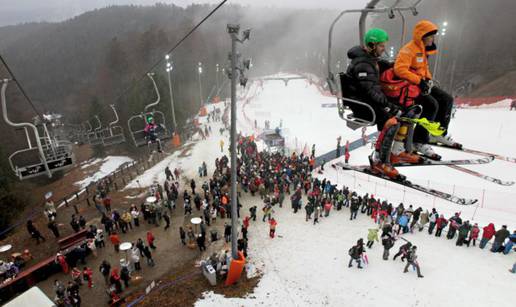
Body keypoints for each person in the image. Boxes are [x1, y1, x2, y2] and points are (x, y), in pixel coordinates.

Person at [344, 28, 422, 180]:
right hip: (362, 105)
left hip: (367, 101)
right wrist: (390, 107)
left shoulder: (370, 60)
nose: (383, 49)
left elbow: (377, 82)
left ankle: (397, 152)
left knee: (407, 109)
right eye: (381, 46)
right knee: (392, 120)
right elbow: (371, 91)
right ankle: (380, 161)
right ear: (372, 45)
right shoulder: (362, 64)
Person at [394, 20, 461, 160]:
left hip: (421, 84)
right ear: (422, 36)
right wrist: (419, 81)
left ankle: (438, 133)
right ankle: (419, 140)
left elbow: (424, 69)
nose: (433, 39)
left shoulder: (423, 51)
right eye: (431, 36)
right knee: (431, 104)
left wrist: (428, 79)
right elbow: (399, 69)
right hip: (410, 87)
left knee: (447, 99)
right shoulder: (409, 50)